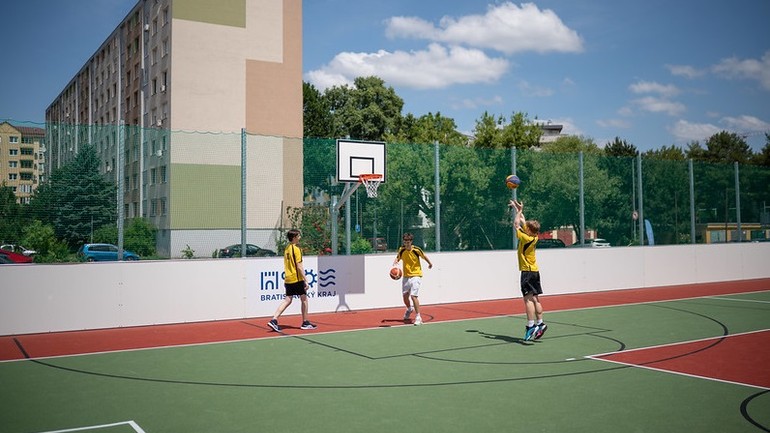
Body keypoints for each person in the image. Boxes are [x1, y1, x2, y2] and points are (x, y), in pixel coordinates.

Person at [510, 199, 547, 341]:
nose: (525, 227)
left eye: (527, 228)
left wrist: (519, 211)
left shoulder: (525, 238)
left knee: (528, 300)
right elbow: (523, 222)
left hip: (527, 272)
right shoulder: (534, 236)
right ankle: (540, 323)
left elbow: (516, 224)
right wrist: (519, 210)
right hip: (535, 271)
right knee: (536, 298)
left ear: (529, 231)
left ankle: (531, 325)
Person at [267, 229, 317, 332]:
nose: (300, 238)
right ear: (294, 237)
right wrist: (306, 280)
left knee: (288, 300)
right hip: (296, 278)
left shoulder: (287, 248)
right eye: (298, 236)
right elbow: (299, 266)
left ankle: (274, 319)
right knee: (304, 299)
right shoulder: (296, 249)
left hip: (288, 278)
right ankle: (305, 322)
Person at [392, 233, 433, 325]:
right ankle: (409, 308)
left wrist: (429, 263)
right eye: (405, 241)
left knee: (413, 296)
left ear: (411, 241)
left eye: (408, 241)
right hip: (406, 276)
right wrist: (395, 262)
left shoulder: (416, 250)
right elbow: (398, 258)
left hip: (416, 275)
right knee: (405, 297)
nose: (407, 243)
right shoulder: (401, 250)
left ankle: (418, 317)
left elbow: (424, 256)